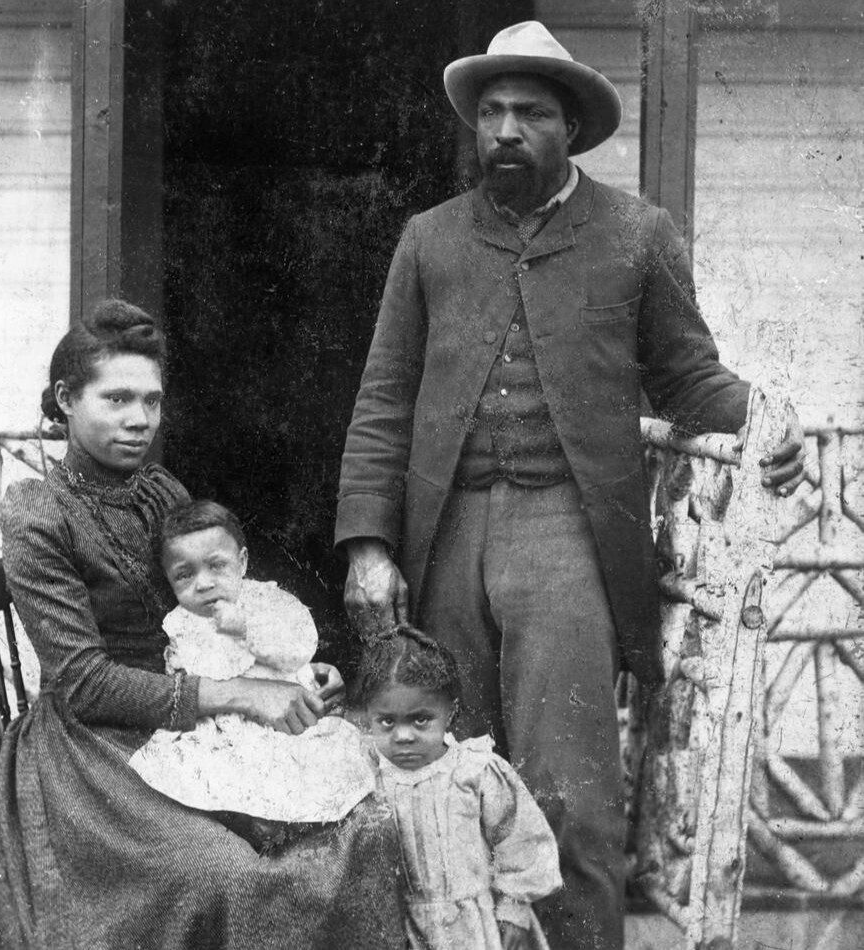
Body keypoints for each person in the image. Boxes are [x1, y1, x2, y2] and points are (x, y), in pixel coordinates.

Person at [335, 21, 805, 950]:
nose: (507, 130)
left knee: (567, 790)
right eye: (492, 113)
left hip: (566, 529)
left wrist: (768, 416)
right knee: (447, 780)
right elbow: (384, 394)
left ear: (573, 128)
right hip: (447, 531)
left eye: (532, 113)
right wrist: (368, 545)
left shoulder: (636, 233)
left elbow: (688, 377)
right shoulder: (430, 240)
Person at [0, 299, 404, 950]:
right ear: (65, 399)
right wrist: (244, 694)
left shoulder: (160, 492)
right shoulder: (37, 513)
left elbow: (214, 611)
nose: (139, 419)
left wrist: (289, 671)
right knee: (223, 872)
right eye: (117, 399)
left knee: (366, 823)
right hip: (94, 745)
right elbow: (84, 684)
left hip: (198, 720)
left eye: (151, 400)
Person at [128, 499, 374, 825]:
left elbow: (300, 645)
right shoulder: (182, 622)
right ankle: (252, 821)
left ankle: (288, 820)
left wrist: (247, 628)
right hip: (221, 728)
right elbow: (184, 681)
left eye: (217, 566)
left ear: (242, 562)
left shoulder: (264, 601)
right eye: (185, 575)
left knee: (306, 771)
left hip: (282, 718)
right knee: (206, 775)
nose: (204, 583)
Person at [354, 624, 561, 950]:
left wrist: (514, 906)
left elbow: (519, 837)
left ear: (449, 712)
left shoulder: (474, 770)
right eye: (387, 721)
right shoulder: (368, 775)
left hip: (470, 928)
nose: (403, 736)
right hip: (399, 928)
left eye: (420, 719)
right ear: (369, 716)